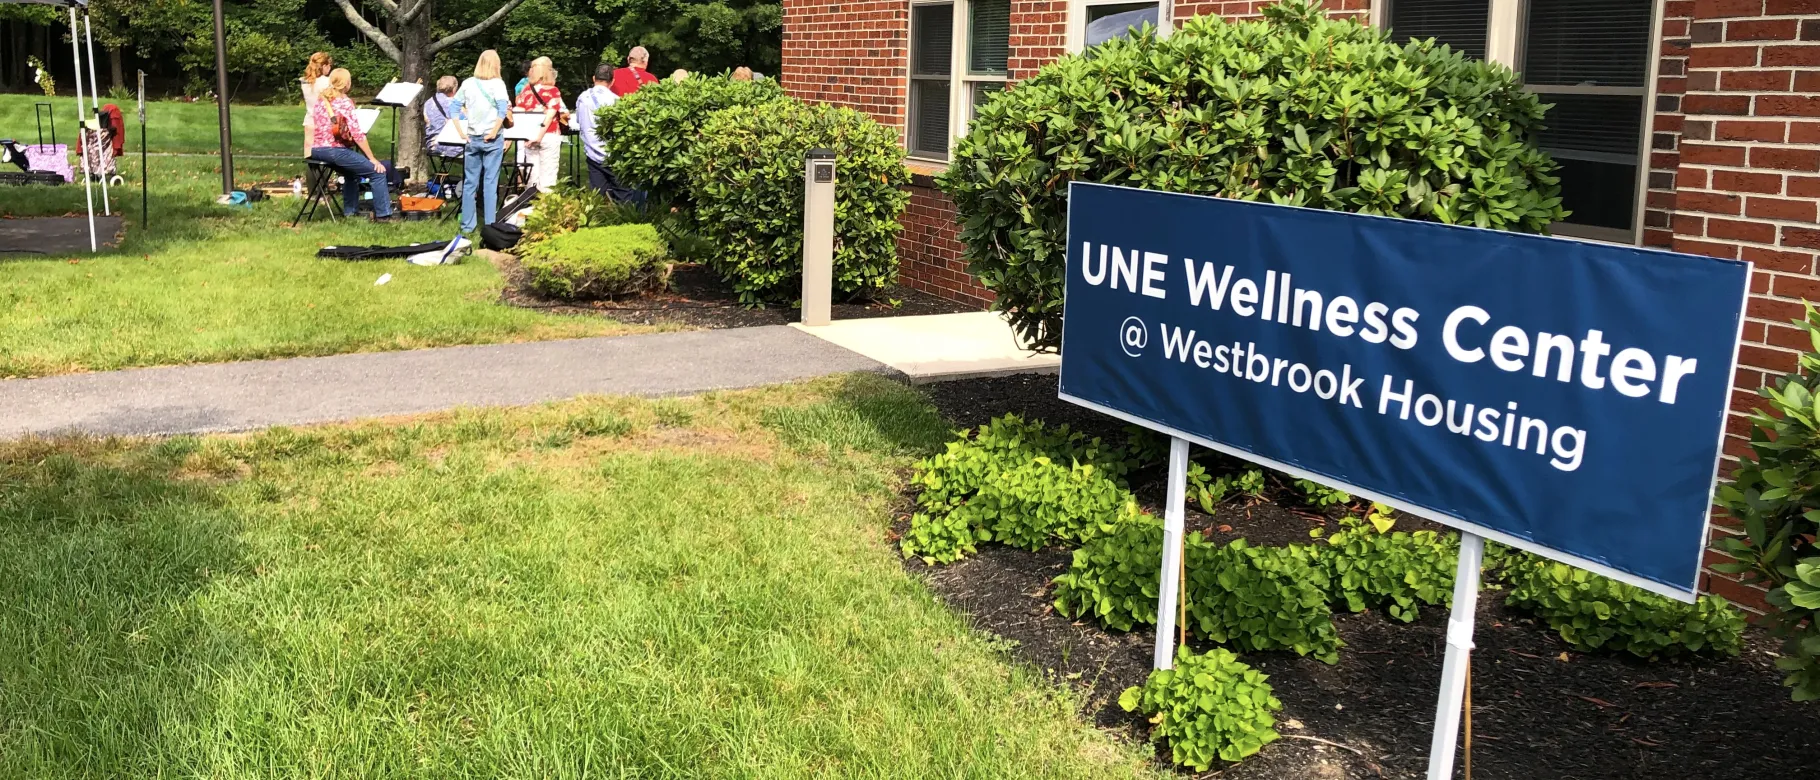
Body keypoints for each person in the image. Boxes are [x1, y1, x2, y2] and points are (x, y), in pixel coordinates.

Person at [307, 68, 394, 221]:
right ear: (347, 83)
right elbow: (357, 134)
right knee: (377, 173)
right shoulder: (345, 102)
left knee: (351, 173)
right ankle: (384, 215)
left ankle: (351, 213)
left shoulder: (321, 100)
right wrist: (372, 159)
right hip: (334, 150)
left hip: (316, 150)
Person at [449, 49, 512, 233]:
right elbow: (502, 110)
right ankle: (490, 225)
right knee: (490, 183)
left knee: (470, 183)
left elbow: (454, 107)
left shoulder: (468, 83)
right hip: (492, 138)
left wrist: (461, 132)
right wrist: (494, 131)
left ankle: (467, 225)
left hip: (472, 138)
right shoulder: (498, 84)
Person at [572, 63, 640, 205]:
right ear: (612, 81)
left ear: (593, 78)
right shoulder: (615, 101)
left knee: (597, 197)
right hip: (613, 156)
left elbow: (578, 121)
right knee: (623, 196)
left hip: (592, 155)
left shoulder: (582, 98)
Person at [514, 56, 568, 191]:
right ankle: (546, 203)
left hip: (529, 136)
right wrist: (539, 136)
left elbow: (519, 110)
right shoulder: (553, 91)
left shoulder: (526, 90)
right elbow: (550, 116)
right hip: (549, 135)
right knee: (548, 178)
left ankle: (531, 201)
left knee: (532, 176)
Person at [300, 51, 333, 158]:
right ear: (324, 66)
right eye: (329, 65)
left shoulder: (305, 81)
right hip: (325, 122)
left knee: (310, 154)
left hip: (309, 120)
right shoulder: (328, 81)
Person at [422, 76, 464, 159]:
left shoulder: (428, 103)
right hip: (454, 146)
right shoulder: (454, 103)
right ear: (454, 89)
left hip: (432, 145)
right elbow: (465, 122)